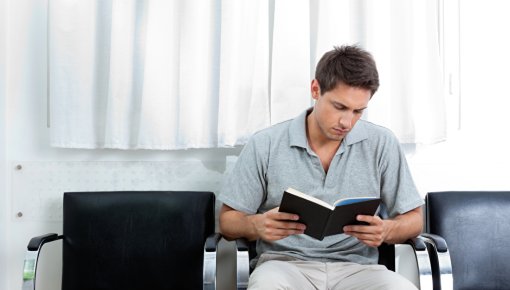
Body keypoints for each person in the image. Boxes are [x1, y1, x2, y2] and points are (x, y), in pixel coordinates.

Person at [218, 45, 424, 290]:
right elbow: (227, 222)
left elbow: (414, 219)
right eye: (339, 107)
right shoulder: (266, 144)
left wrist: (388, 230)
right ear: (315, 89)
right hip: (284, 267)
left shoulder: (381, 143)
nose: (347, 122)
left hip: (358, 270)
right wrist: (256, 225)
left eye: (358, 111)